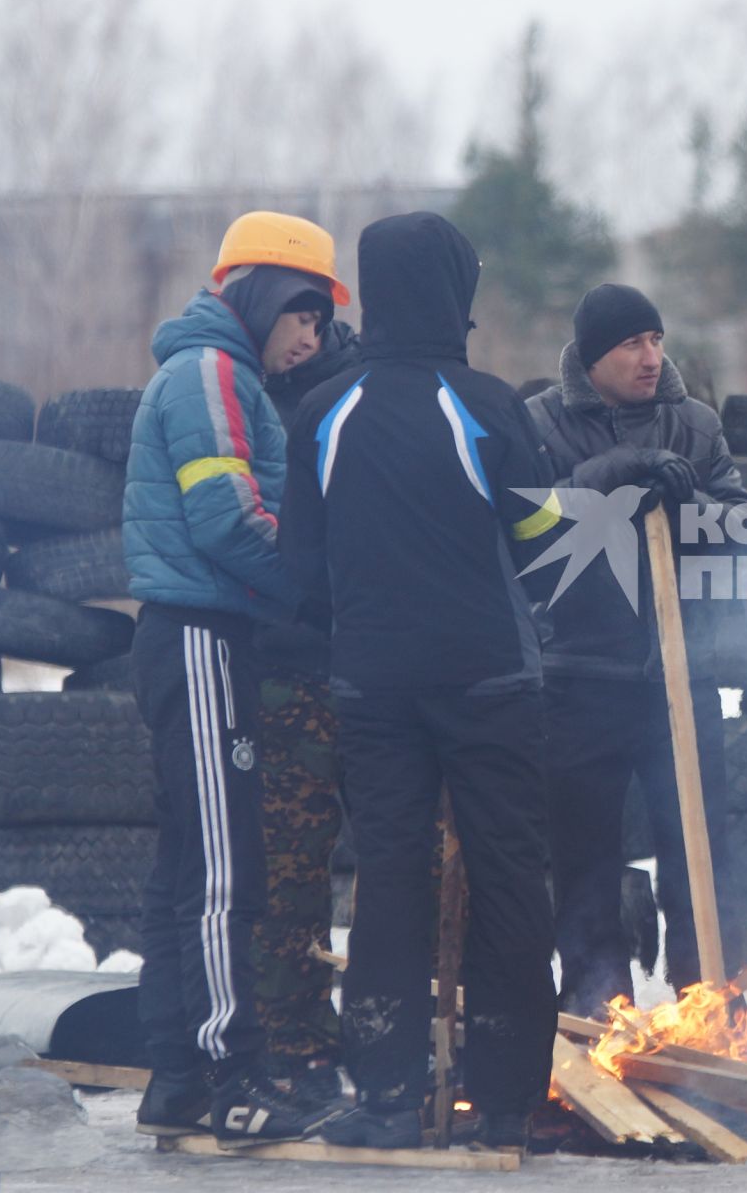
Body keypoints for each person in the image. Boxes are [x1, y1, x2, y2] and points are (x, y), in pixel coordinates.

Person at [281, 211, 560, 1151]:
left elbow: (299, 568)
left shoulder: (323, 411)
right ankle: (507, 1104)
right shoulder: (490, 406)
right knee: (511, 876)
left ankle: (387, 1099)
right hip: (489, 682)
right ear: (453, 290)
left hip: (372, 689)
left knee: (390, 883)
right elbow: (543, 543)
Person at [125, 210, 348, 1144]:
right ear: (257, 295)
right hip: (203, 637)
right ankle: (235, 1077)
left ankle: (176, 1077)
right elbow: (224, 516)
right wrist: (315, 596)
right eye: (304, 315)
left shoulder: (222, 372)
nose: (313, 337)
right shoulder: (212, 374)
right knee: (227, 873)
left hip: (200, 636)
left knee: (186, 868)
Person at [526, 283, 747, 1013]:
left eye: (656, 340)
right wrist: (606, 477)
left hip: (677, 674)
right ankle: (599, 1007)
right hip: (578, 678)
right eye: (632, 344)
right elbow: (524, 530)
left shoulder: (693, 423)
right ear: (594, 356)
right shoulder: (540, 423)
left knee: (698, 852)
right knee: (585, 859)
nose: (650, 357)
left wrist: (694, 505)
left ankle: (708, 1002)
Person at [251, 318, 362, 1106]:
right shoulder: (241, 396)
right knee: (288, 869)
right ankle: (296, 1044)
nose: (301, 338)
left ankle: (394, 1035)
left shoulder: (354, 399)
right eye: (291, 320)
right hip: (288, 667)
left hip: (372, 659)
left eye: (314, 322)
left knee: (406, 863)